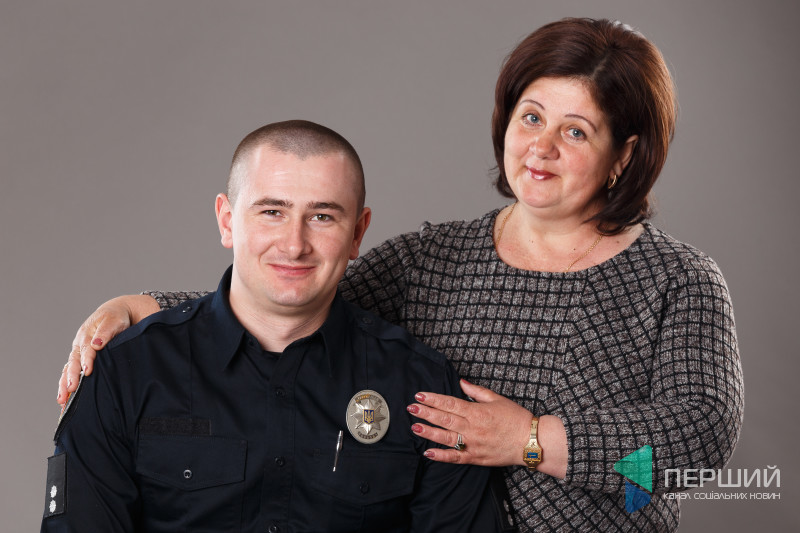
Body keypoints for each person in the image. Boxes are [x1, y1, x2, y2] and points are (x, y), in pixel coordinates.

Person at [57, 18, 744, 532]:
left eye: (575, 131)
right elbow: (300, 293)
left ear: (624, 156)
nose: (540, 147)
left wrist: (528, 440)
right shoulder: (435, 259)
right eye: (531, 117)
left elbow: (699, 440)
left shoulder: (676, 280)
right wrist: (145, 306)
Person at [43, 120, 511, 532]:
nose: (294, 244)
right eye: (272, 211)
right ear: (227, 221)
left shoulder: (422, 388)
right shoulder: (124, 373)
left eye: (322, 216)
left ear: (357, 233)